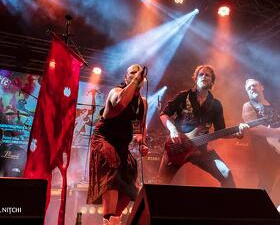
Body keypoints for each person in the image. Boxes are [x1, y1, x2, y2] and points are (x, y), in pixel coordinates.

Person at [159, 65, 244, 187]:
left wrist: (237, 134)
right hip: (178, 146)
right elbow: (164, 114)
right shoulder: (183, 96)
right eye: (201, 74)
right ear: (195, 78)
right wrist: (173, 130)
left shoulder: (216, 105)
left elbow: (221, 131)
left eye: (207, 75)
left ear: (212, 81)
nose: (204, 77)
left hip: (201, 149)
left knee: (227, 174)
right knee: (162, 183)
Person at [87, 64, 148, 225]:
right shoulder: (116, 92)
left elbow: (138, 125)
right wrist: (135, 81)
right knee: (112, 167)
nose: (137, 75)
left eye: (138, 73)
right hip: (104, 139)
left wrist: (141, 140)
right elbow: (120, 104)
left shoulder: (142, 103)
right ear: (126, 77)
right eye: (132, 73)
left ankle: (114, 219)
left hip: (122, 144)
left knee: (131, 180)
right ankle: (108, 219)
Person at [242, 78, 280, 203]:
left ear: (261, 87)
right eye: (249, 88)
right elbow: (254, 128)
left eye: (254, 85)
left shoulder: (276, 104)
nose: (252, 88)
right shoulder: (249, 106)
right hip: (264, 149)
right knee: (267, 181)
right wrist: (275, 132)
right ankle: (258, 211)